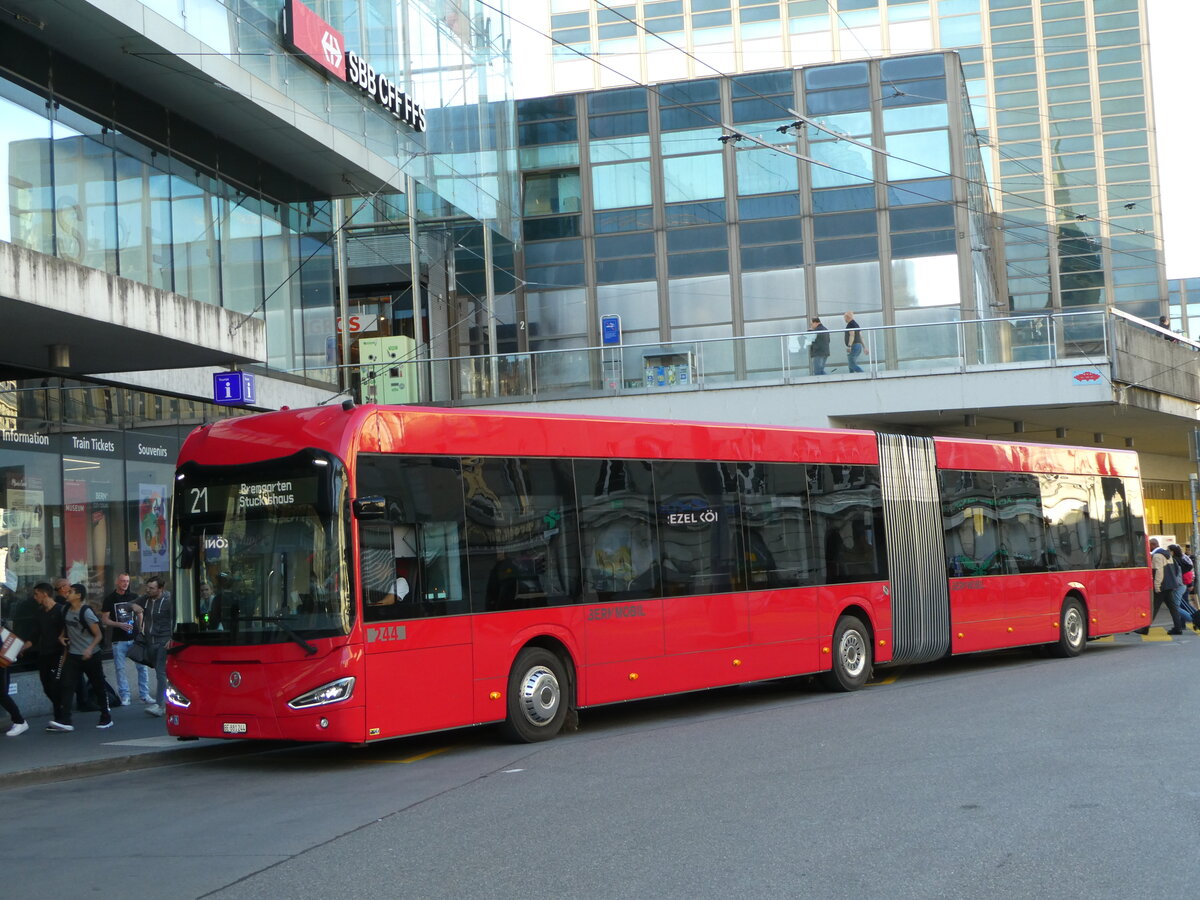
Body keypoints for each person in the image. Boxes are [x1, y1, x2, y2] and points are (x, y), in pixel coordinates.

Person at [49, 583, 112, 731]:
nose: (67, 593)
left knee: (98, 685)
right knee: (67, 685)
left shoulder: (86, 612)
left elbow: (98, 635)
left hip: (91, 655)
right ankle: (66, 720)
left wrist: (90, 649)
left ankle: (106, 716)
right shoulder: (65, 610)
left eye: (70, 592)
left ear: (78, 595)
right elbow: (67, 627)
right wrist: (61, 637)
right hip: (73, 655)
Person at [101, 572, 151, 706]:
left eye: (127, 581)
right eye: (123, 581)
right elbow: (105, 619)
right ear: (117, 582)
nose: (125, 583)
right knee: (120, 668)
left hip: (135, 637)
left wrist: (140, 629)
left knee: (142, 667)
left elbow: (140, 613)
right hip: (118, 639)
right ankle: (125, 696)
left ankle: (144, 695)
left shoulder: (133, 597)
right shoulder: (110, 599)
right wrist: (118, 624)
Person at [131, 576, 172, 716]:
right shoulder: (145, 599)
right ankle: (167, 703)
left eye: (152, 588)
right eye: (147, 587)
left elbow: (176, 618)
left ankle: (160, 705)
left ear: (160, 589)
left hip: (163, 641)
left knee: (161, 673)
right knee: (161, 673)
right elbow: (126, 605)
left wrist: (172, 638)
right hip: (150, 641)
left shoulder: (168, 601)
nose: (148, 590)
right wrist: (133, 606)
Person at [30, 582, 66, 710]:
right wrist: (19, 648)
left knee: (56, 684)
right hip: (45, 653)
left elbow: (67, 631)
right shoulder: (39, 613)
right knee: (46, 686)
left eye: (36, 594)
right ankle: (61, 707)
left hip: (59, 653)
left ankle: (61, 714)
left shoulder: (61, 610)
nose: (35, 597)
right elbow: (34, 636)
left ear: (45, 594)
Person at [1149, 538, 1185, 635]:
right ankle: (1178, 628)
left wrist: (1157, 586)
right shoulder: (1167, 554)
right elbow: (1175, 569)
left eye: (1149, 545)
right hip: (1170, 585)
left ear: (1153, 545)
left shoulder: (1157, 556)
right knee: (1173, 608)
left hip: (1162, 585)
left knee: (1154, 607)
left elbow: (1159, 571)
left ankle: (1145, 628)